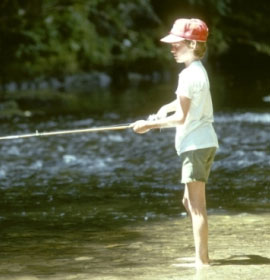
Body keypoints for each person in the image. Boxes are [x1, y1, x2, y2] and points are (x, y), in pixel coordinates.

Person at [130, 18, 219, 267]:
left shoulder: (187, 75)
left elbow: (181, 117)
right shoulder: (198, 71)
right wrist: (164, 108)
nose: (172, 49)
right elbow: (184, 104)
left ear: (191, 45)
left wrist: (148, 125)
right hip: (204, 143)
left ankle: (202, 261)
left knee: (197, 207)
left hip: (195, 146)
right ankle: (201, 250)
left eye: (176, 44)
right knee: (187, 202)